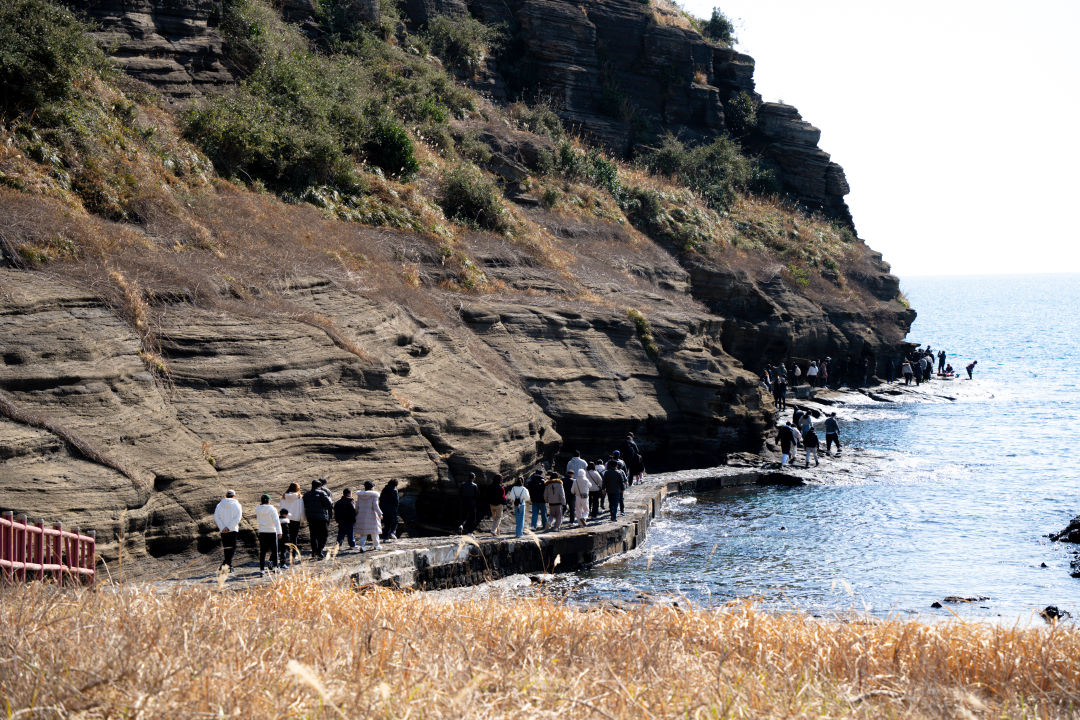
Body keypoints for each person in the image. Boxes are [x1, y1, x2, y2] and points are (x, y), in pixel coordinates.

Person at [302, 479, 333, 560]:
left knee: (313, 535)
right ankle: (319, 551)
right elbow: (329, 504)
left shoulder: (306, 494)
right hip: (322, 518)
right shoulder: (322, 493)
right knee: (324, 535)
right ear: (319, 486)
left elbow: (303, 505)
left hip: (311, 518)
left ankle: (314, 552)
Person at [213, 489, 242, 573]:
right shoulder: (237, 505)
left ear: (226, 495)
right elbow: (238, 518)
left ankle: (227, 566)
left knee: (226, 548)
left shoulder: (219, 505)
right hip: (233, 529)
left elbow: (216, 517)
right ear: (234, 496)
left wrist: (223, 527)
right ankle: (227, 565)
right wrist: (229, 527)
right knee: (232, 548)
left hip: (223, 531)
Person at [255, 494, 282, 575]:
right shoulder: (272, 509)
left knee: (262, 552)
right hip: (272, 531)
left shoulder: (257, 509)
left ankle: (262, 570)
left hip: (262, 531)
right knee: (274, 551)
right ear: (268, 500)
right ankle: (275, 568)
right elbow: (276, 521)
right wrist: (279, 532)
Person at [279, 482, 305, 563]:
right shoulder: (299, 498)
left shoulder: (283, 497)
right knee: (294, 537)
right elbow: (301, 510)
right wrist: (302, 520)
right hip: (295, 519)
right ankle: (293, 555)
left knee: (285, 538)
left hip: (285, 519)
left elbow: (281, 508)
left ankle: (283, 555)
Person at [354, 481, 382, 551]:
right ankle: (376, 545)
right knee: (374, 532)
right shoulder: (374, 495)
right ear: (372, 487)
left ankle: (362, 547)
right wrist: (380, 514)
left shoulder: (360, 496)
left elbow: (357, 506)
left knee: (363, 533)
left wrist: (356, 513)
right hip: (372, 516)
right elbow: (375, 506)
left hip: (362, 517)